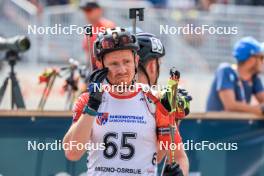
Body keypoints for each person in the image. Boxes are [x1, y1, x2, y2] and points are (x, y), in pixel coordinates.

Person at [63, 27, 185, 176]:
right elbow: (72, 153)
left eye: (127, 62)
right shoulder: (88, 99)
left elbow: (172, 156)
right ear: (100, 65)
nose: (122, 70)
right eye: (114, 64)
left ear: (136, 61)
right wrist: (92, 106)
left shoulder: (155, 100)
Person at [136, 32, 190, 176]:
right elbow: (157, 157)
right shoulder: (158, 100)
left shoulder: (104, 94)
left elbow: (160, 156)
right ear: (153, 66)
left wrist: (173, 119)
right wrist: (172, 116)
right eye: (159, 64)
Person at [206, 36, 264, 115]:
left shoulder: (254, 78)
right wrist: (259, 109)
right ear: (251, 60)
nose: (263, 62)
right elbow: (230, 106)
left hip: (237, 126)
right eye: (261, 57)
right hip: (217, 125)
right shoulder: (226, 70)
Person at [80, 1, 115, 69]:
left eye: (89, 10)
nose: (86, 14)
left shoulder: (108, 26)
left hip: (106, 67)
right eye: (85, 11)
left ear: (99, 10)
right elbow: (88, 52)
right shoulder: (88, 28)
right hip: (93, 67)